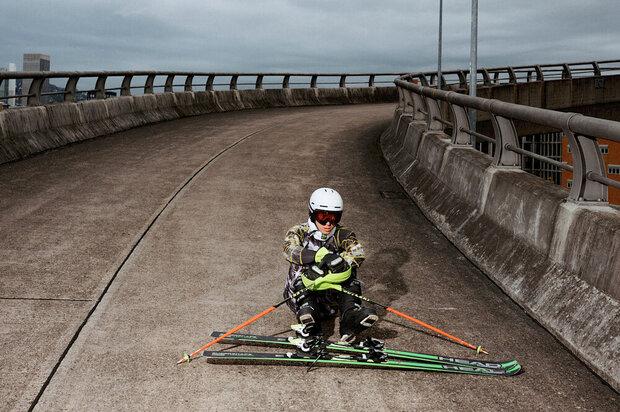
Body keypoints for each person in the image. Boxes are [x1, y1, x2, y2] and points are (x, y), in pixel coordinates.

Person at [282, 187, 378, 343]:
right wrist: (318, 256)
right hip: (305, 290)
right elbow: (289, 250)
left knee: (350, 279)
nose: (328, 223)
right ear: (312, 214)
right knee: (302, 277)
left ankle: (350, 319)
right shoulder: (299, 231)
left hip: (331, 300)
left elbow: (357, 253)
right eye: (323, 217)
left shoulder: (344, 234)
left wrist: (338, 261)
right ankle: (310, 323)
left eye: (334, 218)